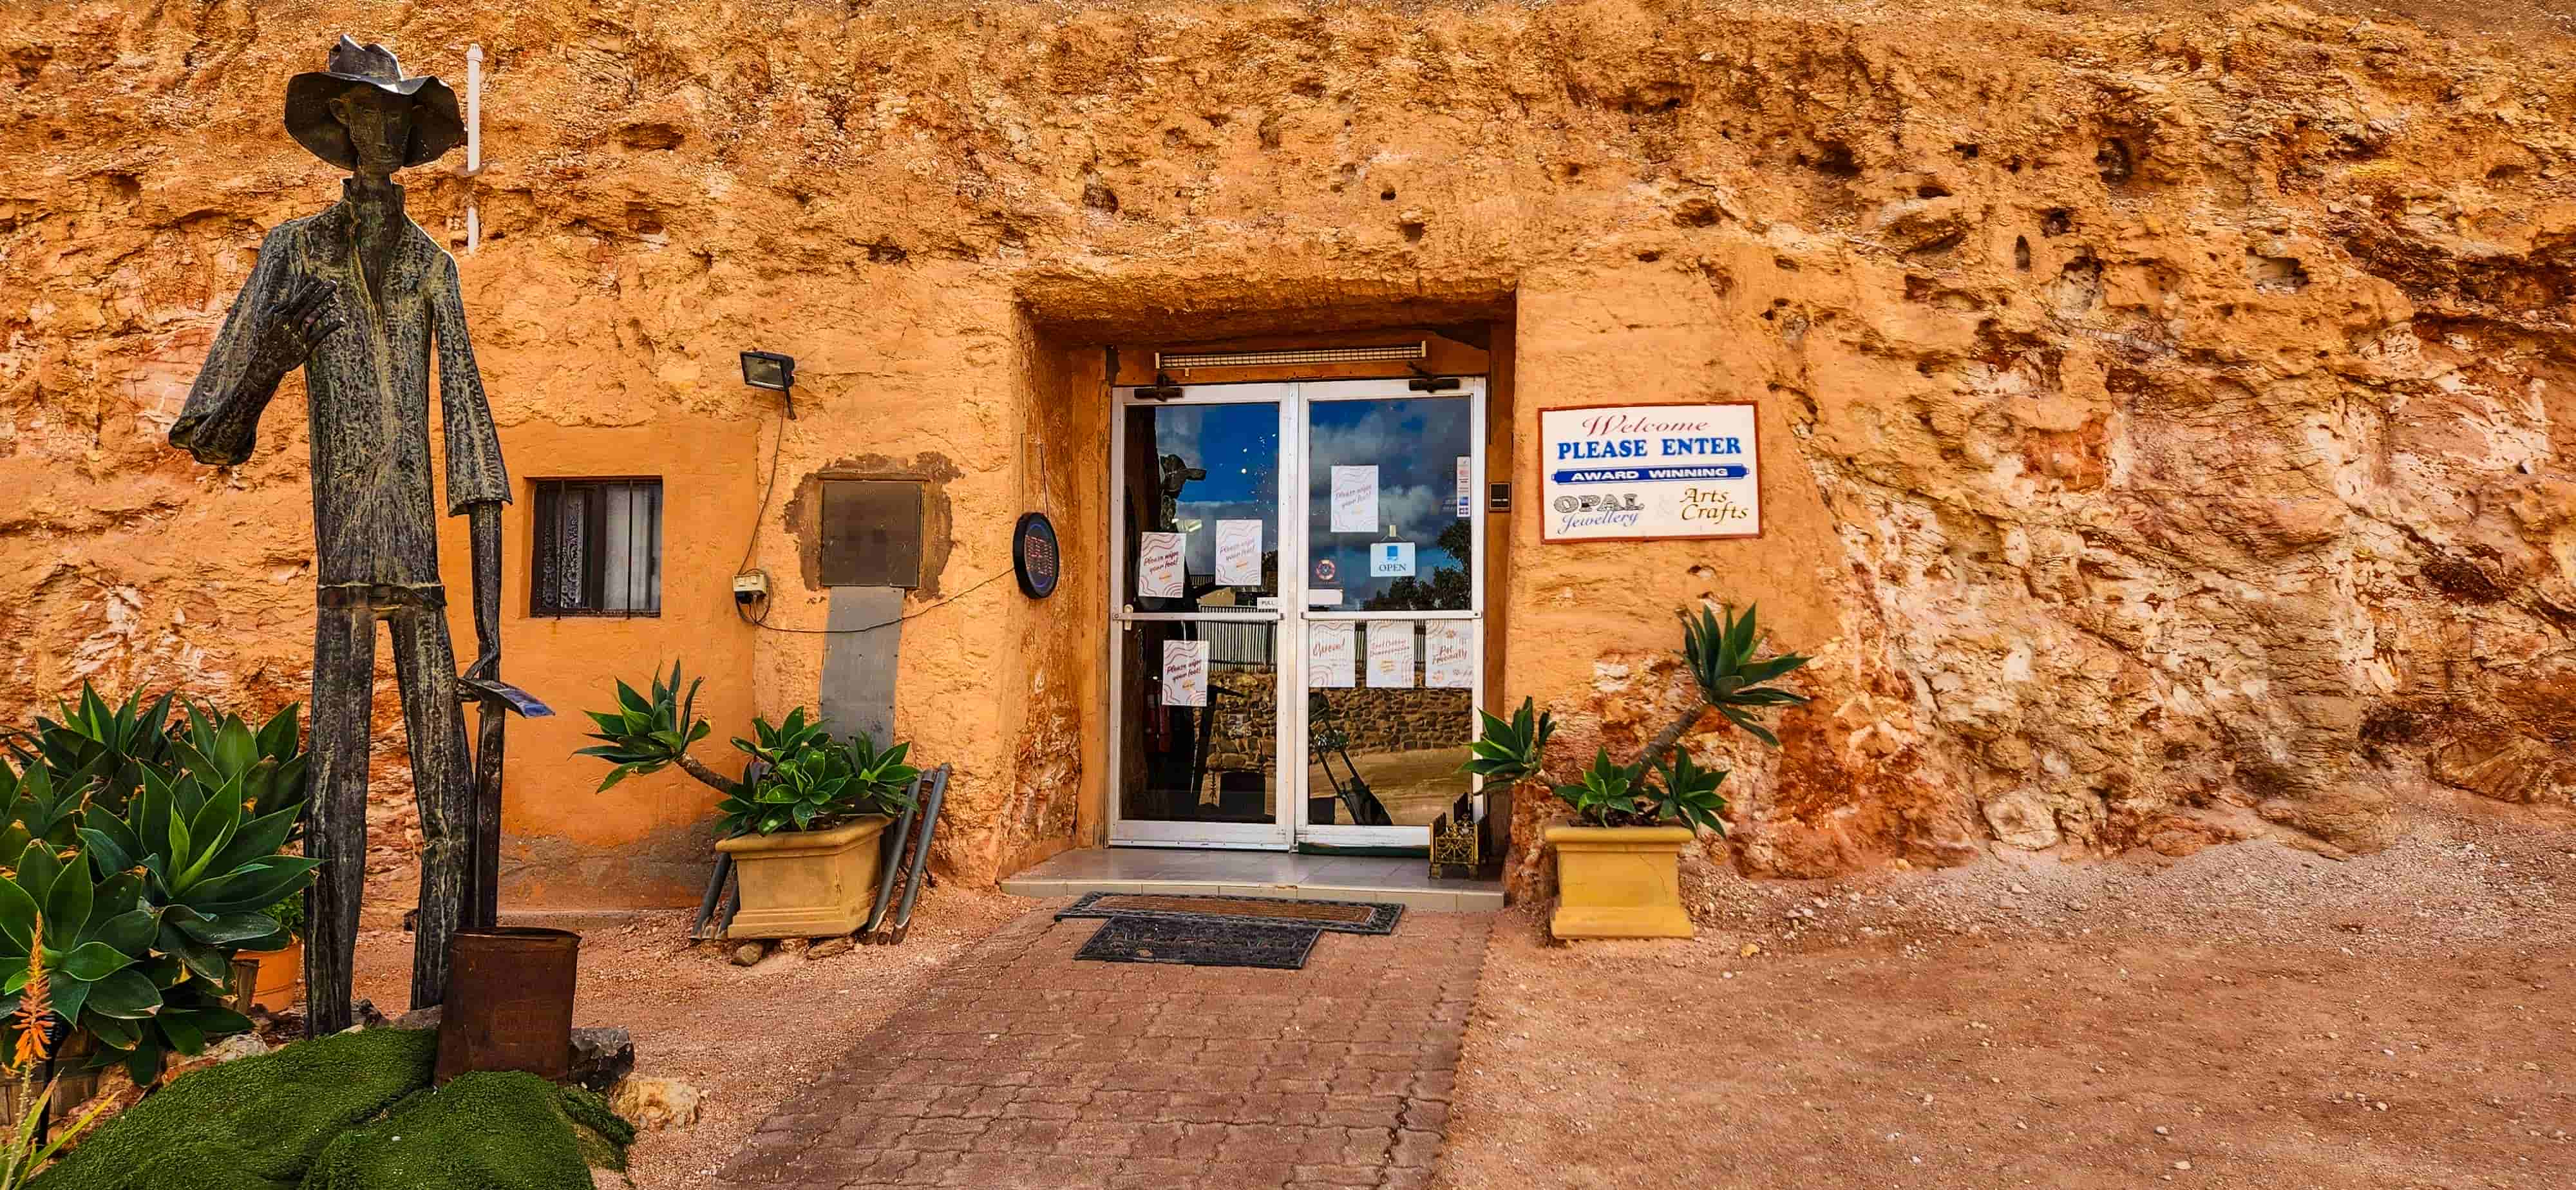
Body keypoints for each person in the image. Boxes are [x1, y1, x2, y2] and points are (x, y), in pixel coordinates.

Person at [171, 35, 505, 1036]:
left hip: (424, 576)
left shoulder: (432, 268)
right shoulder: (296, 253)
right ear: (339, 124)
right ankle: (324, 1024)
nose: (382, 131)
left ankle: (436, 1020)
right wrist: (267, 365)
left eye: (398, 116)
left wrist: (492, 630)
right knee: (335, 803)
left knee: (451, 813)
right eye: (366, 111)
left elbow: (470, 431)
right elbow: (220, 411)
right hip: (345, 570)